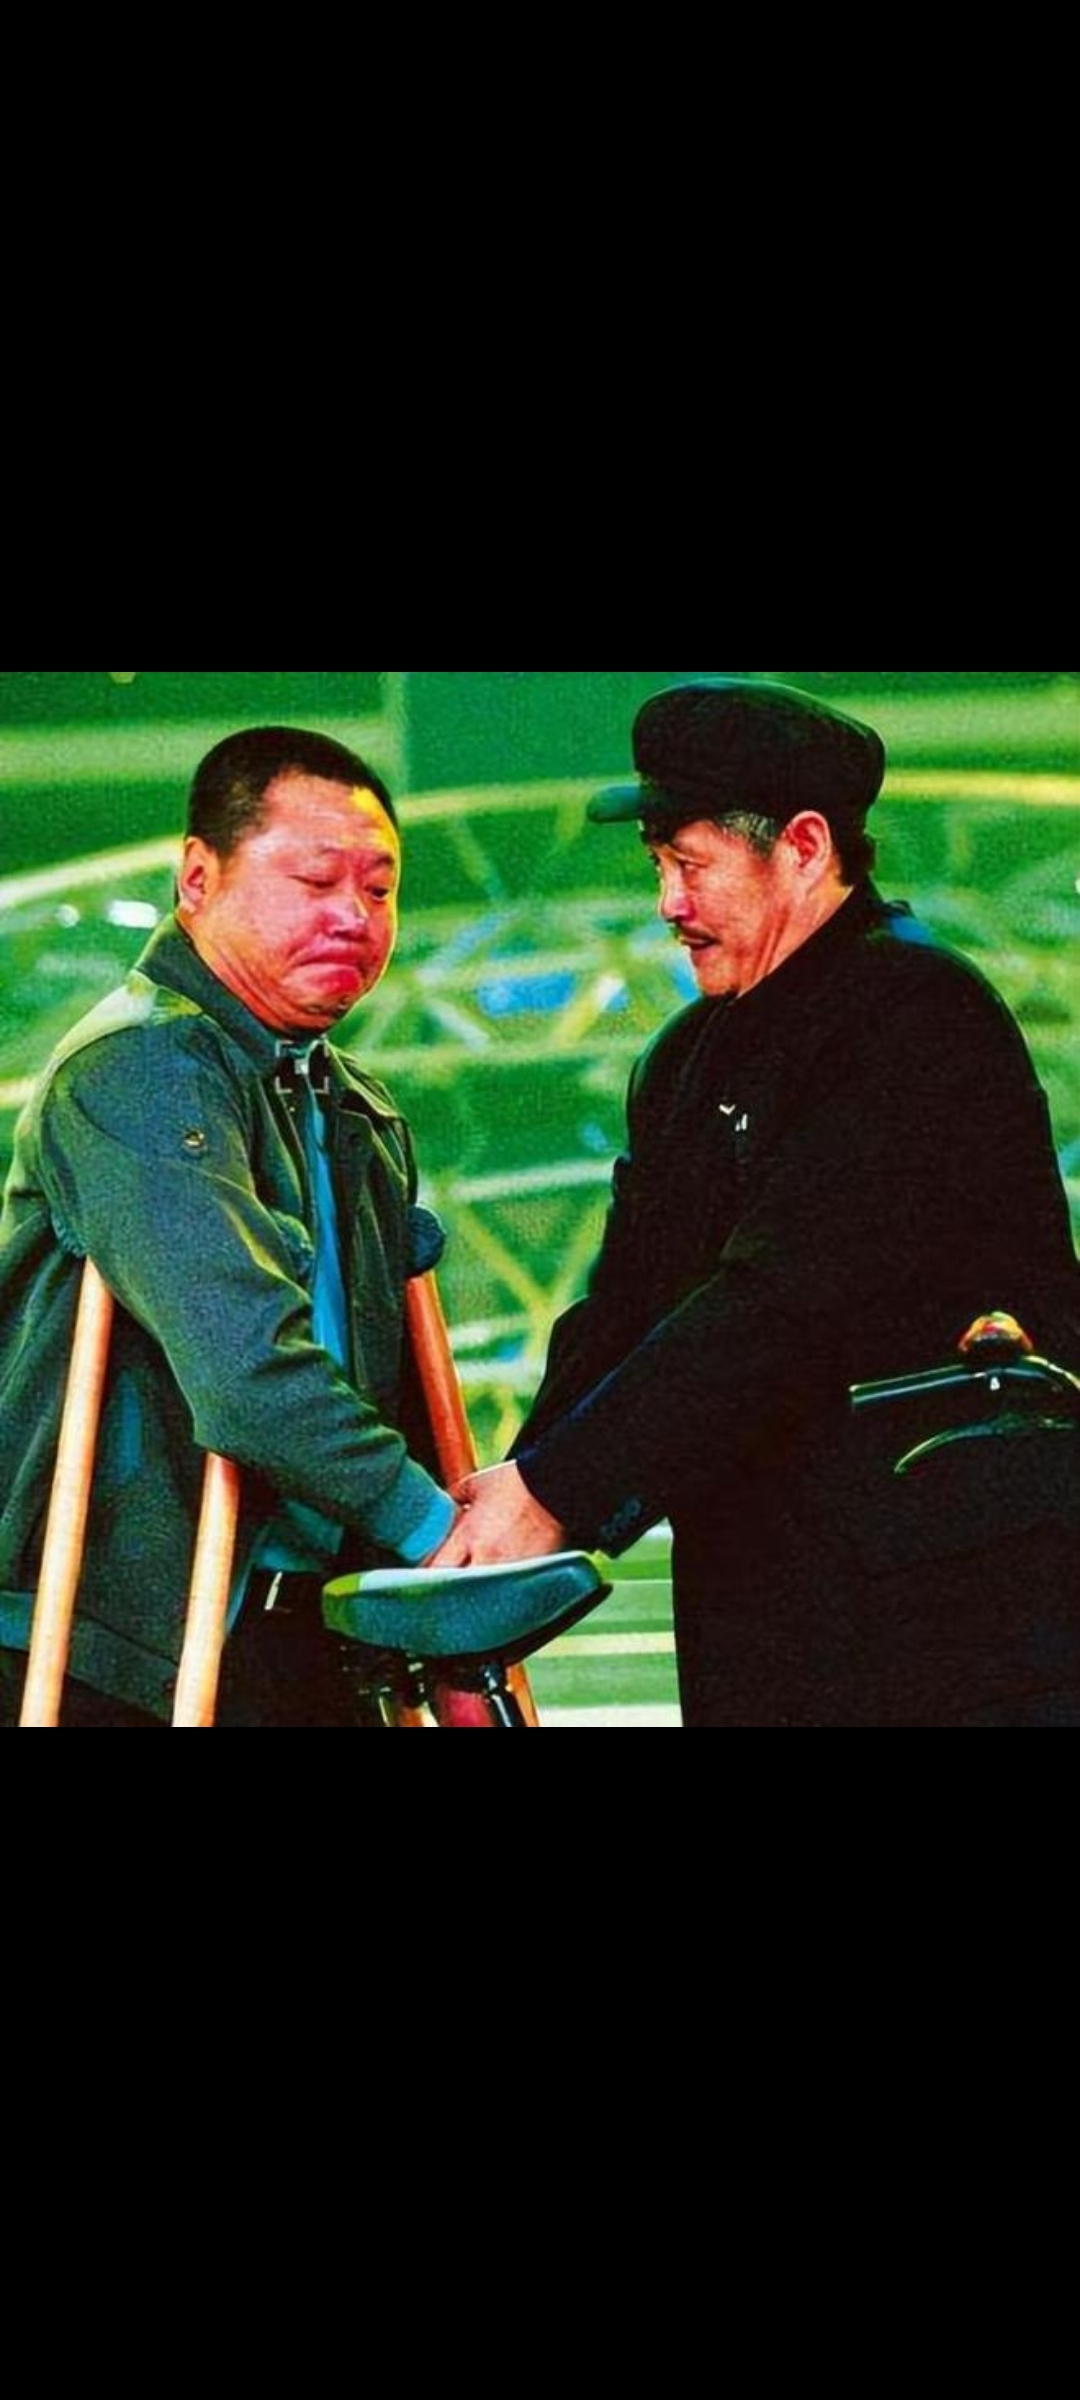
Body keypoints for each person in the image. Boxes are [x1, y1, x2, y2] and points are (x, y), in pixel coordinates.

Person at [438, 679, 1080, 1726]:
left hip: (952, 1629)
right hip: (770, 1619)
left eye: (691, 866)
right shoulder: (686, 1059)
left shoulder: (917, 1012)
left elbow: (785, 1300)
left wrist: (554, 1493)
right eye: (658, 866)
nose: (667, 905)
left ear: (805, 847)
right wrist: (515, 1500)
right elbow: (624, 1309)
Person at [0, 727, 465, 1727]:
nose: (354, 916)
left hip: (310, 1634)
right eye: (315, 881)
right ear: (197, 879)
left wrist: (451, 1625)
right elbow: (245, 1373)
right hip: (123, 1646)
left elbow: (396, 1389)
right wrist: (439, 1533)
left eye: (380, 889)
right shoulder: (136, 1069)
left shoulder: (358, 1107)